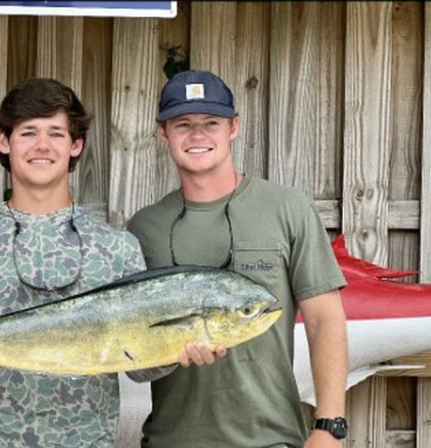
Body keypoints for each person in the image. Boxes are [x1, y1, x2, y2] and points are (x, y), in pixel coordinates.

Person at [0, 77, 165, 448]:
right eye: (28, 133)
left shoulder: (118, 248)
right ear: (4, 141)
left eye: (56, 133)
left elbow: (141, 366)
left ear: (76, 145)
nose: (42, 146)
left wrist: (179, 347)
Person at [127, 69, 349, 448]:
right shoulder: (144, 227)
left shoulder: (287, 208)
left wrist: (329, 426)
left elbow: (324, 319)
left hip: (271, 439)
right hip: (170, 439)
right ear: (164, 133)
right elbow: (132, 353)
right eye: (183, 124)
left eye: (211, 122)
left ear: (233, 127)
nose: (197, 135)